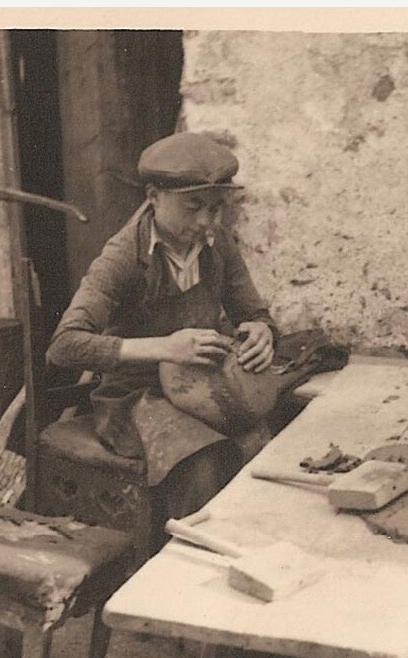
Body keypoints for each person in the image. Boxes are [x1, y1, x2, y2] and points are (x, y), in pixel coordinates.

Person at [48, 131, 278, 523]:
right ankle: (184, 567)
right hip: (134, 398)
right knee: (202, 462)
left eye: (216, 207)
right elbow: (64, 346)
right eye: (193, 207)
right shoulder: (122, 257)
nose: (206, 220)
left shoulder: (215, 243)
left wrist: (262, 332)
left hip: (203, 386)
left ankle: (249, 555)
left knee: (259, 443)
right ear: (153, 197)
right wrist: (166, 349)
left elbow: (253, 312)